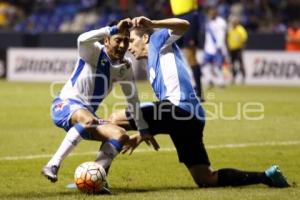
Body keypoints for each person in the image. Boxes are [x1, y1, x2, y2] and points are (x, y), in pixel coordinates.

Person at [109, 16, 290, 188]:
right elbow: (162, 116)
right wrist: (143, 133)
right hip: (191, 118)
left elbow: (184, 25)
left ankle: (99, 174)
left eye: (131, 41)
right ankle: (267, 176)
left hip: (178, 109)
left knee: (114, 119)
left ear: (145, 37)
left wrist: (154, 22)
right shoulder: (152, 64)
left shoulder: (158, 40)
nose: (128, 47)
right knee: (205, 178)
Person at [41, 18, 159, 190]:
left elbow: (132, 100)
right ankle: (52, 165)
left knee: (120, 135)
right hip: (65, 105)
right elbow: (81, 39)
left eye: (126, 41)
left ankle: (95, 180)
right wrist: (111, 29)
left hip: (87, 116)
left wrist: (143, 130)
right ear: (106, 40)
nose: (122, 45)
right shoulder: (93, 52)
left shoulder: (125, 67)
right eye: (118, 40)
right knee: (88, 120)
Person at [169, 0, 205, 101]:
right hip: (176, 18)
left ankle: (199, 92)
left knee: (190, 55)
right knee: (176, 54)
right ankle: (184, 89)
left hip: (189, 16)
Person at [201, 6, 227, 88]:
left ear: (216, 13)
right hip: (208, 49)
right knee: (205, 66)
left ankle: (221, 82)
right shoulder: (208, 23)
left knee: (217, 67)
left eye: (212, 13)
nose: (210, 15)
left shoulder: (221, 22)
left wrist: (219, 46)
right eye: (209, 13)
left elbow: (222, 35)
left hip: (217, 48)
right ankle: (209, 81)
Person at [227, 15, 248, 84]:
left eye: (234, 22)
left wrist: (242, 49)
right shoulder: (230, 29)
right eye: (232, 22)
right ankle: (233, 77)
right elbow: (227, 38)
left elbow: (244, 40)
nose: (233, 23)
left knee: (240, 63)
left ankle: (243, 77)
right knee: (232, 64)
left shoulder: (241, 29)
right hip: (232, 49)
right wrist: (228, 47)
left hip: (238, 49)